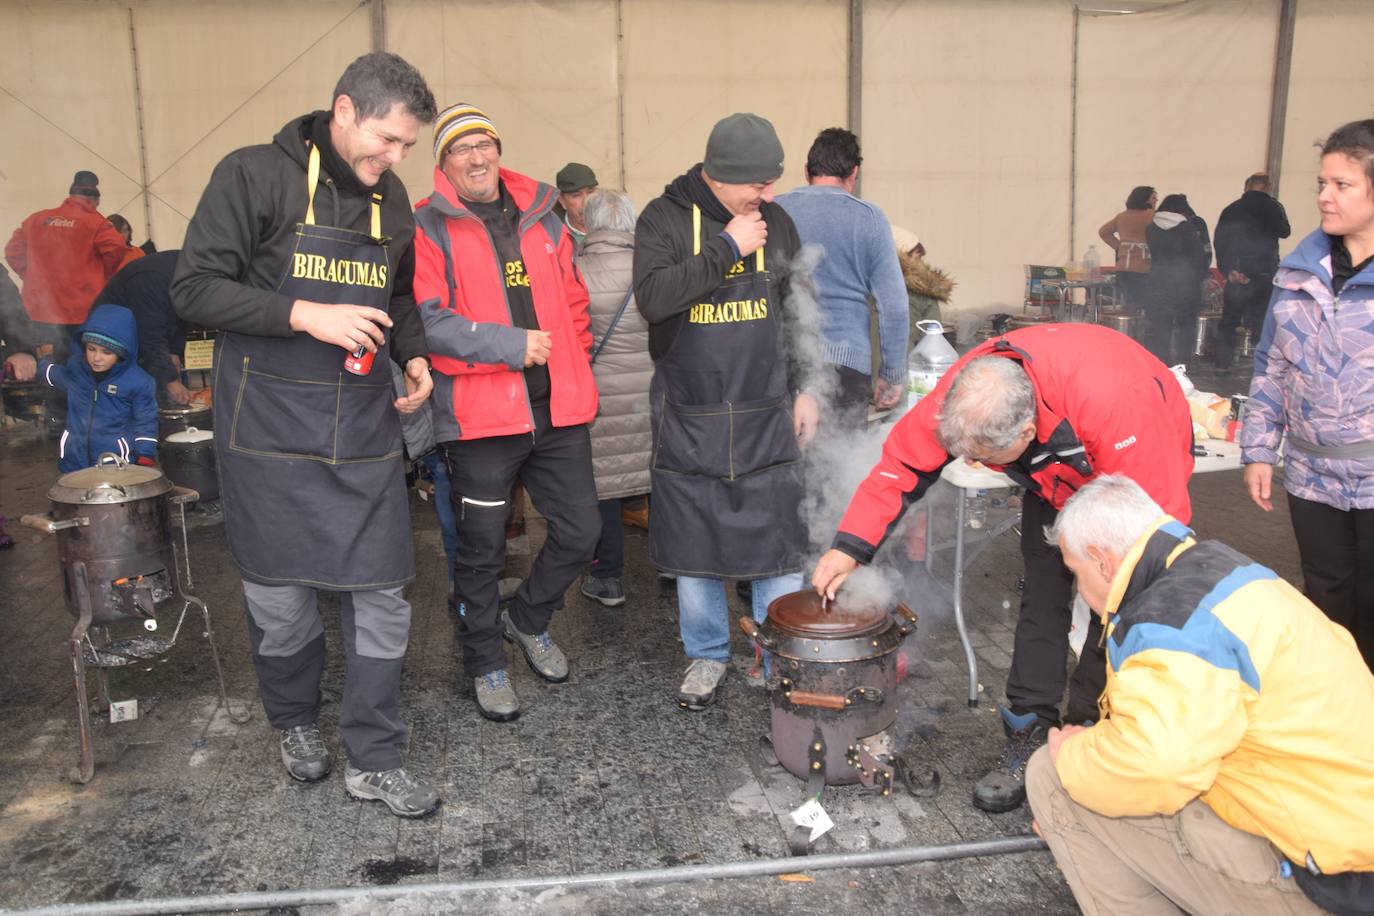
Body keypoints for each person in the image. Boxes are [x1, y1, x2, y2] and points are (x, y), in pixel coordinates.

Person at [170, 52, 441, 818]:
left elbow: (400, 295)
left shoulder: (393, 203)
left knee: (384, 595)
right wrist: (303, 314)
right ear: (345, 109)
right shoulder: (253, 174)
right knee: (281, 600)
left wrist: (413, 355)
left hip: (359, 430)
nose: (393, 161)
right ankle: (293, 723)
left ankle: (376, 758)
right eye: (386, 140)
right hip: (266, 432)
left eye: (406, 149)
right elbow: (193, 287)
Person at [812, 322, 1194, 813]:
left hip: (1130, 477)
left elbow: (1158, 530)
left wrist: (1113, 572)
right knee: (1044, 589)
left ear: (1027, 433)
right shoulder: (966, 394)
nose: (970, 462)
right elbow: (899, 468)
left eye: (983, 457)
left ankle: (1090, 738)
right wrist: (849, 547)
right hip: (1053, 478)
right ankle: (1029, 730)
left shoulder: (1121, 404)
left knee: (1119, 605)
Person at [1027, 475, 1374, 916]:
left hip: (1322, 880)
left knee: (1051, 779)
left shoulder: (1169, 624)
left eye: (1074, 572)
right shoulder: (1227, 572)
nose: (1081, 591)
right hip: (1339, 827)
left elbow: (1156, 768)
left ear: (1102, 561)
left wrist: (1070, 759)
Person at [412, 102, 600, 723]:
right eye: (460, 149)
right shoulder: (428, 226)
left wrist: (573, 357)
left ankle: (528, 619)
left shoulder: (543, 215)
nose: (475, 157)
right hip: (481, 418)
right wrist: (510, 346)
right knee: (481, 554)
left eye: (482, 144)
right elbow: (429, 322)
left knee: (581, 532)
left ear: (497, 149)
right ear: (444, 163)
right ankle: (485, 663)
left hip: (557, 410)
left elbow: (573, 298)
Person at [633, 112, 820, 710]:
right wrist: (727, 248)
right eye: (757, 185)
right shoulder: (662, 219)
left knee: (777, 547)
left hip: (766, 411)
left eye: (772, 183)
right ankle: (707, 655)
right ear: (717, 176)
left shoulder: (778, 222)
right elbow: (655, 300)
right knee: (697, 549)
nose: (767, 196)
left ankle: (775, 655)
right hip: (691, 417)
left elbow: (800, 313)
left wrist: (808, 386)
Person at [1243, 119, 1374, 672]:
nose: (1324, 196)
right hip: (1312, 477)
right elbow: (1271, 365)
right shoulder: (1298, 273)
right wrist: (1257, 450)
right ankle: (1336, 724)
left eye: (1342, 185)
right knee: (1327, 601)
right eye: (1322, 182)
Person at [776, 128, 907, 430]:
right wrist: (892, 373)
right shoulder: (870, 217)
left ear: (807, 170)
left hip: (784, 364)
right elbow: (895, 306)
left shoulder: (776, 210)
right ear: (854, 173)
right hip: (847, 368)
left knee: (789, 467)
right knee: (841, 470)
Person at [577, 189, 653, 608]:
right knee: (660, 479)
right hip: (650, 394)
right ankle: (675, 567)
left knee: (604, 485)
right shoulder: (653, 269)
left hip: (599, 398)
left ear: (587, 225)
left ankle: (608, 579)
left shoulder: (574, 271)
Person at [5, 170, 127, 352]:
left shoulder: (36, 219)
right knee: (80, 366)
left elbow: (12, 251)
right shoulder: (95, 223)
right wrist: (103, 276)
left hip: (39, 310)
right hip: (82, 311)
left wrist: (32, 276)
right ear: (94, 200)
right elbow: (116, 247)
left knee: (44, 368)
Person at [38, 303, 158, 471]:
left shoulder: (138, 382)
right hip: (74, 457)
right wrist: (36, 364)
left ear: (122, 353)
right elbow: (53, 375)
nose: (96, 358)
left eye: (106, 352)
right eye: (91, 349)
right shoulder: (76, 370)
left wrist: (145, 455)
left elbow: (145, 420)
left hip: (115, 461)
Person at [90, 250, 192, 406]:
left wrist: (175, 351)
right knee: (124, 401)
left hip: (140, 344)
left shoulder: (187, 272)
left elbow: (181, 312)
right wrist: (170, 380)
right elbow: (150, 334)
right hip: (113, 344)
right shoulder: (154, 279)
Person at [1215, 171, 1291, 371]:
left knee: (1229, 321)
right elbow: (1285, 231)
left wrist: (1228, 270)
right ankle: (1262, 367)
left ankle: (1222, 365)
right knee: (1262, 323)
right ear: (1267, 187)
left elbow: (1220, 241)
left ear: (1246, 186)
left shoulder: (1231, 209)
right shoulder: (1273, 208)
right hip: (1264, 273)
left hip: (1237, 272)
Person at [1143, 193, 1209, 368]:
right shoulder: (1186, 228)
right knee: (1185, 327)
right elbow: (1198, 257)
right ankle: (1183, 365)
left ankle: (1160, 363)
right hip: (1185, 284)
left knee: (1161, 326)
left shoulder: (1151, 228)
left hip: (1157, 281)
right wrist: (1201, 277)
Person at [1098, 185, 1156, 312]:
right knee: (1147, 307)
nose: (1156, 201)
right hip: (1144, 268)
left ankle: (1128, 329)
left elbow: (1103, 232)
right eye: (1153, 198)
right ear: (1145, 199)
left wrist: (1119, 247)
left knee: (1129, 305)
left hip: (1123, 268)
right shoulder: (1153, 217)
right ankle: (1141, 330)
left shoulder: (1122, 216)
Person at [553, 162, 598, 252]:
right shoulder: (553, 235)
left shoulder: (615, 226)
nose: (586, 201)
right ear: (561, 200)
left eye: (590, 192)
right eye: (576, 195)